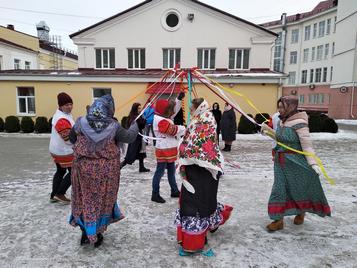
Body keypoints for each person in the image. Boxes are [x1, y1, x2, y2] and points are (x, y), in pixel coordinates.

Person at [68, 94, 139, 247]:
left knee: (84, 200)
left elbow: (72, 138)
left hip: (82, 171)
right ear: (109, 109)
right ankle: (97, 233)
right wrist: (135, 124)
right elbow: (130, 137)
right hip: (106, 173)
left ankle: (85, 233)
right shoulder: (114, 126)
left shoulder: (80, 122)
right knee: (101, 201)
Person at [261, 96, 331, 232]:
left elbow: (307, 145)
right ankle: (278, 220)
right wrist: (269, 132)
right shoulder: (283, 121)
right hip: (281, 162)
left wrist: (313, 163)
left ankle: (301, 212)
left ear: (290, 107)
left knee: (299, 189)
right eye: (279, 107)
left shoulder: (300, 122)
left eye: (282, 107)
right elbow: (282, 139)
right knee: (279, 189)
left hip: (296, 162)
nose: (279, 110)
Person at [175, 98, 233, 254]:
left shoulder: (206, 119)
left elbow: (198, 142)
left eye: (192, 108)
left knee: (199, 202)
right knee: (196, 201)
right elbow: (190, 138)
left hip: (203, 167)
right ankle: (201, 232)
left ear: (198, 108)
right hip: (194, 167)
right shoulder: (199, 118)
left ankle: (198, 236)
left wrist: (184, 147)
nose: (191, 111)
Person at [151, 93, 186, 203]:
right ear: (164, 110)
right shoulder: (160, 120)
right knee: (159, 172)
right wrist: (185, 128)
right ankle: (155, 194)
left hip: (169, 149)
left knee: (171, 171)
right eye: (169, 110)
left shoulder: (164, 116)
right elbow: (172, 130)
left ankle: (174, 190)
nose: (172, 112)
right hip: (163, 150)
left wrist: (178, 100)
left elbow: (174, 110)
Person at [49, 92, 75, 204]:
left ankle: (53, 195)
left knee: (60, 171)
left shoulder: (63, 115)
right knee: (74, 172)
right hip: (64, 151)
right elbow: (68, 138)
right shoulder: (61, 119)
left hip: (57, 149)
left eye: (70, 104)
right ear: (60, 106)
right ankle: (60, 193)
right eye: (66, 105)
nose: (69, 107)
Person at [120, 103, 150, 172]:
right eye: (138, 108)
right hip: (135, 138)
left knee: (141, 152)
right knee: (132, 153)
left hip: (140, 137)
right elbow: (140, 125)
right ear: (135, 109)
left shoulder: (138, 116)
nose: (140, 109)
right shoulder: (134, 117)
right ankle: (121, 165)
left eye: (140, 108)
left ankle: (141, 167)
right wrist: (143, 121)